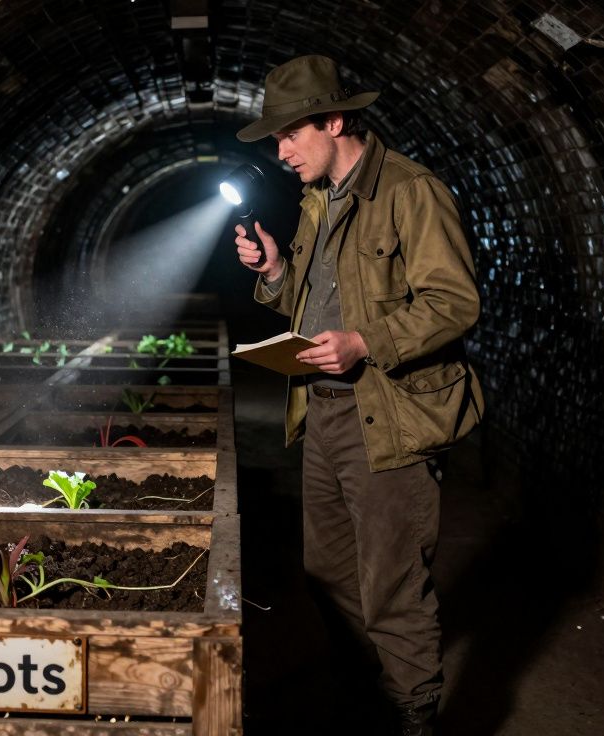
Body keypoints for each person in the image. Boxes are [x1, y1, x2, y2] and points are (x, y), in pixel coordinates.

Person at [233, 55, 483, 736]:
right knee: (326, 570)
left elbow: (454, 302)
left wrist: (364, 343)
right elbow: (316, 305)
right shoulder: (321, 200)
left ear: (336, 120)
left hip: (390, 418)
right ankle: (366, 695)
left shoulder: (410, 190)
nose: (282, 152)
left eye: (291, 134)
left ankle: (412, 715)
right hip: (324, 412)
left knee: (392, 587)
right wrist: (277, 267)